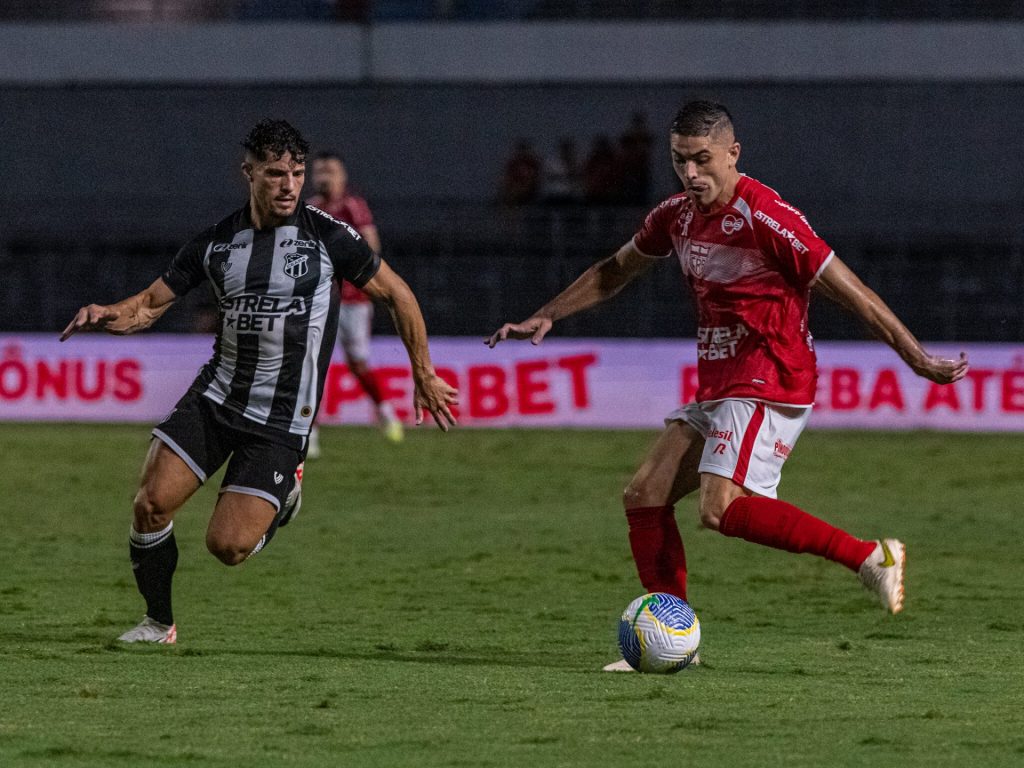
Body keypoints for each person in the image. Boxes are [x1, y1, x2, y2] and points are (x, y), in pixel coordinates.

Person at [487, 100, 968, 670]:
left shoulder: (768, 217)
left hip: (772, 374)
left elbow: (851, 289)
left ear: (733, 154)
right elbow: (613, 271)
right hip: (721, 379)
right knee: (644, 495)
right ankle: (677, 644)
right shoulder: (676, 216)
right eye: (678, 161)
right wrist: (549, 314)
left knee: (719, 508)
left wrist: (914, 356)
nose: (691, 174)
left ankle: (871, 556)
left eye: (702, 159)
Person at [61, 119, 458, 644]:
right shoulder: (218, 243)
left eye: (296, 172)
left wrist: (423, 372)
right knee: (149, 504)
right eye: (275, 173)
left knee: (227, 547)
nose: (289, 185)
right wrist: (107, 314)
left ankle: (285, 494)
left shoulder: (327, 236)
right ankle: (159, 623)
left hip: (280, 418)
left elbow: (398, 294)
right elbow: (148, 306)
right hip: (216, 397)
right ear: (248, 173)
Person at [306, 150, 403, 453]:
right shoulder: (309, 209)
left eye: (329, 171)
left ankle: (384, 410)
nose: (323, 177)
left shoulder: (352, 206)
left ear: (342, 176)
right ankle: (310, 435)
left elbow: (371, 248)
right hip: (319, 300)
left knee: (357, 363)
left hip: (353, 300)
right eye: (319, 171)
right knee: (311, 366)